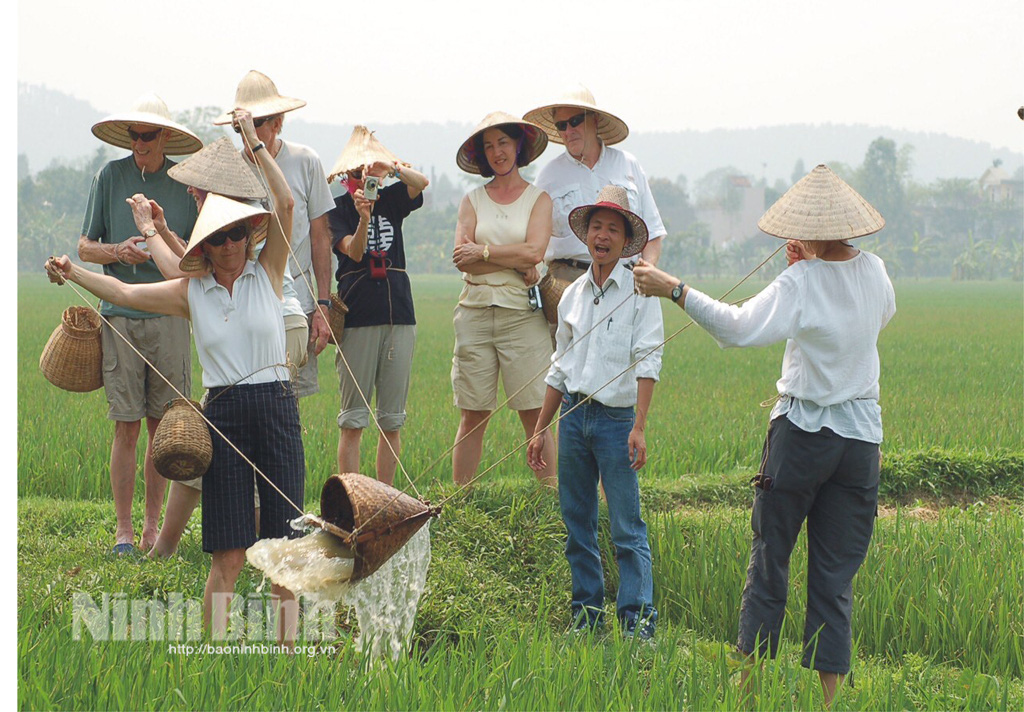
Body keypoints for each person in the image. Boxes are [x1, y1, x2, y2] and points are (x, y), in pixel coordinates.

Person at [632, 165, 896, 706]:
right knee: (834, 576)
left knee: (770, 558)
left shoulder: (801, 280)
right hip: (861, 443)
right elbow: (866, 319)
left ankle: (748, 694)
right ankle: (830, 701)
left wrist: (673, 288)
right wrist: (816, 272)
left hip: (802, 435)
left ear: (807, 227)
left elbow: (736, 327)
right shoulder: (877, 273)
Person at [48, 111, 304, 647]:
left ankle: (288, 659)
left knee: (284, 550)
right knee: (229, 551)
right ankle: (209, 653)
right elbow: (124, 294)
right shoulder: (193, 293)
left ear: (247, 237)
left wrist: (254, 144)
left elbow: (285, 205)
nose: (231, 245)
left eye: (237, 234)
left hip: (277, 408)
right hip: (226, 415)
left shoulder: (267, 274)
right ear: (204, 246)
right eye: (220, 237)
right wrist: (73, 271)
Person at [140, 136, 293, 558]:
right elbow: (191, 272)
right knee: (214, 446)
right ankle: (201, 547)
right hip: (231, 362)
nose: (192, 190)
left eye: (198, 184)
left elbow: (182, 269)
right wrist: (164, 231)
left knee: (252, 460)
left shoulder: (240, 230)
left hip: (266, 336)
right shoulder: (215, 239)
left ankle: (267, 546)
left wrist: (153, 231)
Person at [527, 185, 664, 640]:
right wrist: (540, 429)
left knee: (627, 526)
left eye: (613, 228)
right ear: (586, 235)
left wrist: (640, 426)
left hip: (617, 422)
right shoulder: (573, 296)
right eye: (597, 227)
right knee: (577, 522)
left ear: (626, 241)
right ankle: (586, 617)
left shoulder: (642, 292)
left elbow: (649, 359)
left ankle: (637, 626)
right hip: (574, 417)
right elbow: (559, 367)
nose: (603, 236)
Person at [79, 93, 202, 555]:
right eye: (134, 135)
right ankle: (125, 532)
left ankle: (154, 528)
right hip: (121, 317)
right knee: (125, 425)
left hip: (170, 313)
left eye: (148, 136)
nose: (140, 143)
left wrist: (161, 239)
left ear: (164, 137)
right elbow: (86, 246)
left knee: (163, 426)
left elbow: (197, 248)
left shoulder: (183, 182)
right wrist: (119, 252)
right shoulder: (110, 177)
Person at [214, 70, 335, 398]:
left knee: (289, 401)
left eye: (259, 122)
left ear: (278, 122)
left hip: (299, 302)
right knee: (247, 394)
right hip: (247, 303)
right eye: (243, 126)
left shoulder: (306, 161)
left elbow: (321, 236)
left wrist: (323, 304)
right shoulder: (228, 172)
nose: (251, 132)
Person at [450, 112, 555, 487]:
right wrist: (510, 258)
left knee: (534, 412)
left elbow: (535, 253)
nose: (497, 152)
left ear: (518, 146)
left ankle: (549, 501)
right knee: (473, 413)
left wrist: (486, 253)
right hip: (474, 312)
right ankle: (460, 503)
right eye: (490, 146)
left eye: (504, 143)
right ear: (482, 155)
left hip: (521, 316)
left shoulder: (538, 199)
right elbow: (463, 258)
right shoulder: (472, 199)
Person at [326, 127, 429, 485]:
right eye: (356, 174)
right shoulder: (336, 211)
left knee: (392, 420)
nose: (362, 179)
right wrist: (364, 216)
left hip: (399, 313)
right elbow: (353, 252)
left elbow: (422, 183)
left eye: (367, 172)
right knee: (353, 418)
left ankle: (385, 499)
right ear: (344, 177)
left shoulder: (393, 198)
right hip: (357, 316)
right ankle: (351, 500)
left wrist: (393, 168)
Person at [523, 84, 667, 292]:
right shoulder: (548, 176)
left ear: (594, 120)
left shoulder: (627, 164)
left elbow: (652, 232)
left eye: (575, 122)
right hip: (566, 283)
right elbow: (533, 240)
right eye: (562, 126)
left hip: (624, 279)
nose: (569, 131)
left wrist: (647, 269)